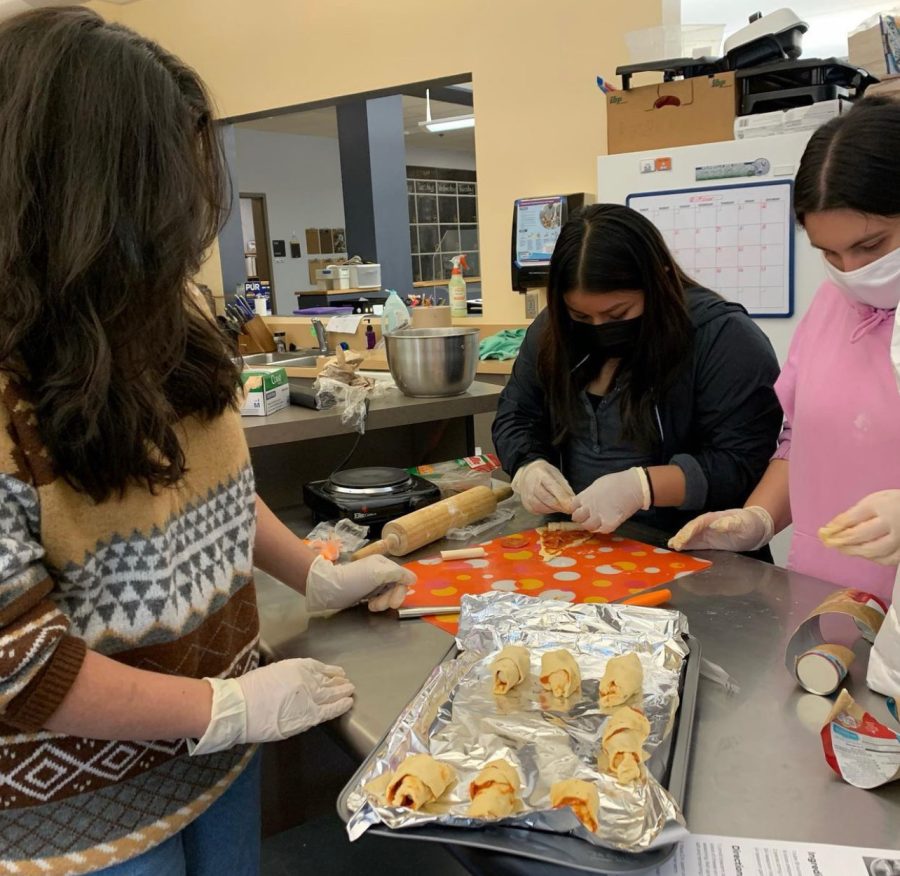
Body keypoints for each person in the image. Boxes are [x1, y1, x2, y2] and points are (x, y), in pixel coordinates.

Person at [0, 8, 414, 874]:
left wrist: (312, 570)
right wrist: (223, 706)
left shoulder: (155, 315)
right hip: (81, 820)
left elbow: (204, 488)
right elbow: (20, 668)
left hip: (213, 763)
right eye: (165, 194)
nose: (189, 224)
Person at [669, 99, 900, 611]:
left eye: (871, 246)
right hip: (825, 588)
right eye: (829, 253)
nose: (851, 270)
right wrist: (758, 519)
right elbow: (803, 440)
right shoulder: (831, 305)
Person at [493, 203, 782, 540]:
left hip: (688, 551)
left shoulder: (723, 340)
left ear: (659, 280)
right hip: (574, 546)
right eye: (582, 317)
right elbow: (515, 414)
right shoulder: (552, 333)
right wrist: (528, 464)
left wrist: (644, 486)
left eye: (617, 314)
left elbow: (741, 463)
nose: (599, 328)